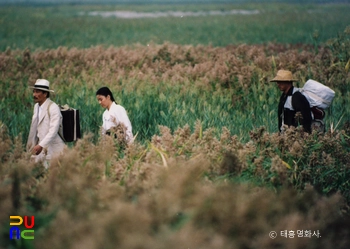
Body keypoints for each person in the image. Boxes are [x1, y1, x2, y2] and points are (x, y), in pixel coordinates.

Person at [26, 79, 65, 168]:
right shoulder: (36, 107)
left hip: (54, 148)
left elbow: (53, 131)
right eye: (34, 92)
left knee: (54, 175)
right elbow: (35, 127)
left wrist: (41, 145)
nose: (34, 95)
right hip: (40, 148)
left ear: (45, 94)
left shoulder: (53, 107)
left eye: (37, 92)